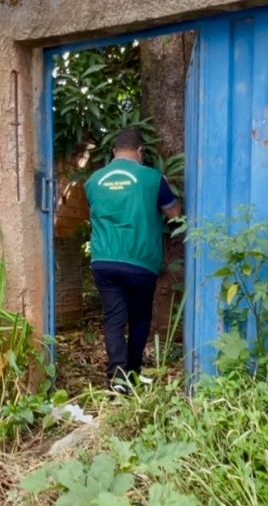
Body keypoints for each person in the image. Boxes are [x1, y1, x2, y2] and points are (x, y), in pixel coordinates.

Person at [84, 127, 182, 393]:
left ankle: (117, 378)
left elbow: (95, 212)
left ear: (114, 152)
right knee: (139, 319)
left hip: (104, 260)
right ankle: (134, 373)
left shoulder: (93, 181)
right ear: (140, 152)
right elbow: (174, 214)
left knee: (113, 318)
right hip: (140, 261)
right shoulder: (152, 177)